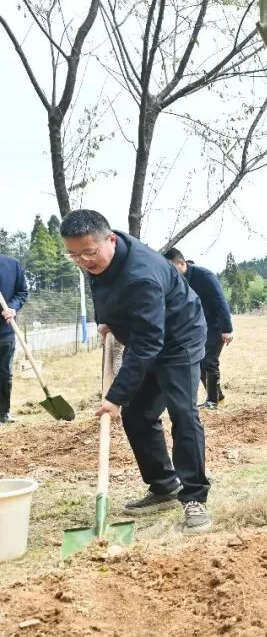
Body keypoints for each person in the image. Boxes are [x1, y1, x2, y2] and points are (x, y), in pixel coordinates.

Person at [59, 209, 211, 534]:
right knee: (138, 416)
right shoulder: (100, 258)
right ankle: (164, 485)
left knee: (183, 414)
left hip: (179, 339)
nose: (83, 261)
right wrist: (108, 319)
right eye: (74, 255)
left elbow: (147, 344)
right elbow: (103, 288)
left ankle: (194, 496)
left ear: (110, 239)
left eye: (89, 252)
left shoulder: (140, 275)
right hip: (149, 335)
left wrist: (115, 397)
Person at [164, 248, 234, 409]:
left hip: (214, 325)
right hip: (194, 326)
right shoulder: (174, 281)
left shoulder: (204, 276)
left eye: (171, 268)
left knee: (208, 361)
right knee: (198, 360)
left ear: (182, 263)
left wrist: (227, 329)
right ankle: (217, 396)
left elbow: (220, 302)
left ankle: (213, 401)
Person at [0, 250, 28, 424]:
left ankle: (3, 413)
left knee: (4, 374)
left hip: (5, 330)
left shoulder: (12, 264)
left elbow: (21, 292)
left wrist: (12, 307)